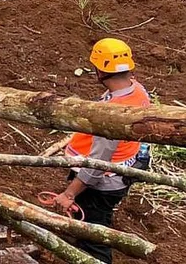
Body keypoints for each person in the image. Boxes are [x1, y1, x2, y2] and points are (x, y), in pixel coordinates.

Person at [51, 39, 151, 264]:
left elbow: (97, 166)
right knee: (87, 223)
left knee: (94, 239)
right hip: (122, 171)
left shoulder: (111, 116)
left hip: (101, 184)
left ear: (99, 70)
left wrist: (69, 194)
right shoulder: (138, 91)